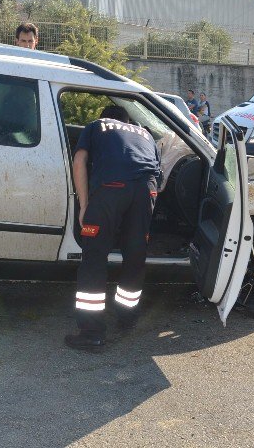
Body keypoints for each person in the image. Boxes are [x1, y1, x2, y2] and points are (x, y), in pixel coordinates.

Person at [66, 104, 162, 352]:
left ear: (105, 117)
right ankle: (126, 318)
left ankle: (92, 333)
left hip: (111, 189)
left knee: (94, 258)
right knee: (135, 256)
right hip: (145, 191)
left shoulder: (96, 126)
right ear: (128, 120)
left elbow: (79, 161)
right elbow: (157, 176)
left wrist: (84, 205)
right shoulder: (146, 134)